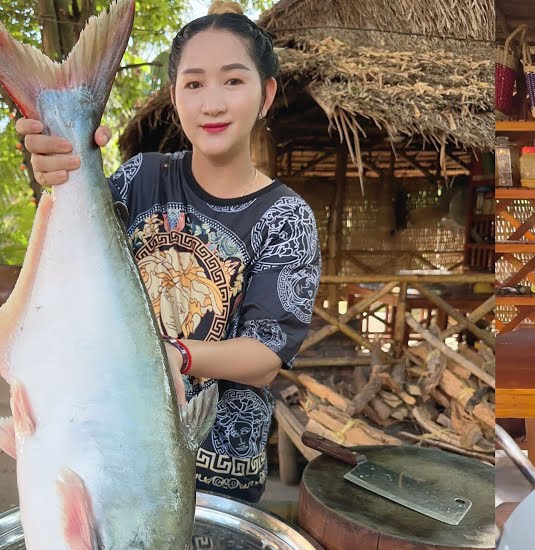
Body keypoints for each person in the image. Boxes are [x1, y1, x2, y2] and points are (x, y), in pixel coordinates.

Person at [17, 1, 319, 503]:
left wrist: (166, 356)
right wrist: (60, 170)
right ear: (175, 97)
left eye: (233, 81)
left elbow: (265, 356)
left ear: (266, 95)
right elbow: (72, 253)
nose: (213, 104)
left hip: (219, 468)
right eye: (194, 84)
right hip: (115, 445)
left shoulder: (287, 217)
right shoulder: (141, 178)